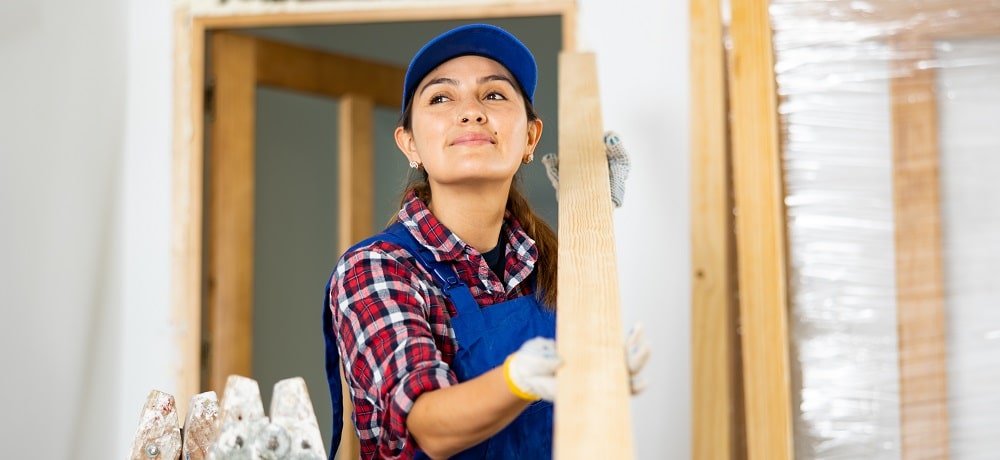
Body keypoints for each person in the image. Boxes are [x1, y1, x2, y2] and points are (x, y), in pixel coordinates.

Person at [323, 23, 648, 460]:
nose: (471, 111)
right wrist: (518, 380)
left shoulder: (552, 265)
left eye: (494, 95)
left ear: (531, 138)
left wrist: (595, 219)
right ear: (410, 144)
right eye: (441, 98)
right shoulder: (376, 269)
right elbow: (430, 428)